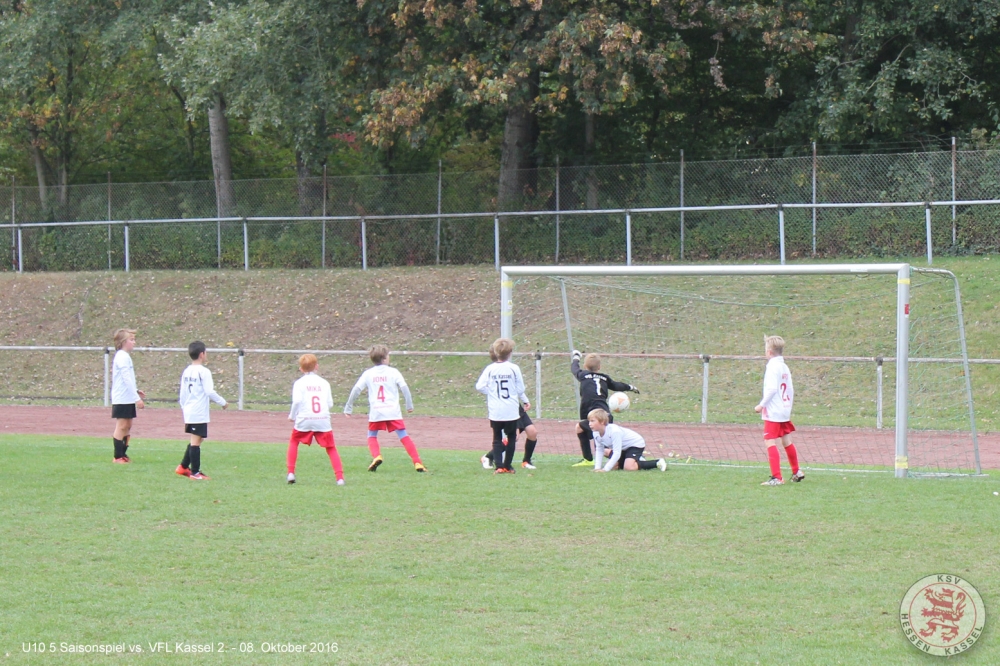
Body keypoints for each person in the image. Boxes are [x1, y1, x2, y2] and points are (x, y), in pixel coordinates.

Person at [344, 344, 426, 472]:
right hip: (393, 411)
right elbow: (404, 388)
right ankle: (417, 463)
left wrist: (348, 407)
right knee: (403, 435)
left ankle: (377, 456)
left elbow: (356, 389)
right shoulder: (393, 372)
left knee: (372, 435)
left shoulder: (368, 374)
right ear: (384, 358)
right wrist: (409, 404)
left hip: (377, 411)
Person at [570, 350, 640, 467]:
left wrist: (576, 357)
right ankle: (622, 458)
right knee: (599, 441)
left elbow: (574, 369)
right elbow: (617, 385)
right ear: (599, 367)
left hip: (598, 416)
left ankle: (592, 459)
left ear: (585, 366)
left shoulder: (583, 375)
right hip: (605, 415)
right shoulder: (604, 378)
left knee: (585, 432)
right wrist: (630, 387)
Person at [286, 354, 343, 486]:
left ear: (301, 369)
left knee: (294, 441)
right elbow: (330, 404)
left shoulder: (299, 383)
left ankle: (290, 473)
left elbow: (297, 402)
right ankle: (339, 478)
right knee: (331, 448)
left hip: (305, 418)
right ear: (317, 366)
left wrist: (292, 416)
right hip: (322, 419)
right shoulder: (324, 383)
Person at [754, 335, 804, 486]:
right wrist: (788, 406)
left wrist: (761, 405)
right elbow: (790, 389)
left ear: (769, 352)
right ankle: (796, 471)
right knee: (786, 440)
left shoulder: (772, 367)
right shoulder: (784, 366)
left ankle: (777, 478)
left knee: (770, 441)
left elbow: (771, 390)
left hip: (774, 411)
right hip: (784, 410)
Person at [480, 344, 539, 469]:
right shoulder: (499, 369)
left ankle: (526, 461)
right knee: (514, 436)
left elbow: (518, 388)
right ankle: (489, 457)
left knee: (532, 432)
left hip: (515, 405)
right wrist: (493, 393)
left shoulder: (511, 369)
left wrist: (525, 400)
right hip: (508, 407)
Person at [175, 341, 227, 480]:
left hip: (190, 409)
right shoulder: (204, 372)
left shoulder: (187, 371)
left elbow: (182, 393)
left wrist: (184, 407)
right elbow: (209, 391)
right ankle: (195, 473)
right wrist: (222, 402)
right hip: (198, 411)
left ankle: (183, 466)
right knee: (196, 441)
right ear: (202, 354)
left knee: (198, 438)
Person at [588, 409, 666, 472]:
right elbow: (599, 450)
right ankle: (631, 459)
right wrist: (597, 468)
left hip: (635, 444)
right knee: (612, 465)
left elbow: (617, 452)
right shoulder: (595, 433)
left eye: (592, 421)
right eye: (589, 421)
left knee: (628, 468)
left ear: (602, 422)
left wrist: (605, 469)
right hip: (623, 448)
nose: (589, 424)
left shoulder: (614, 431)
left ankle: (657, 462)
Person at [110, 328, 145, 464]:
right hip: (122, 397)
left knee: (128, 425)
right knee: (122, 425)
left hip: (128, 396)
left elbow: (128, 379)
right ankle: (117, 456)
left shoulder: (125, 356)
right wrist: (137, 398)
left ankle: (123, 454)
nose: (134, 342)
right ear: (123, 342)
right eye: (131, 339)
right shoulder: (122, 356)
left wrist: (135, 391)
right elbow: (125, 378)